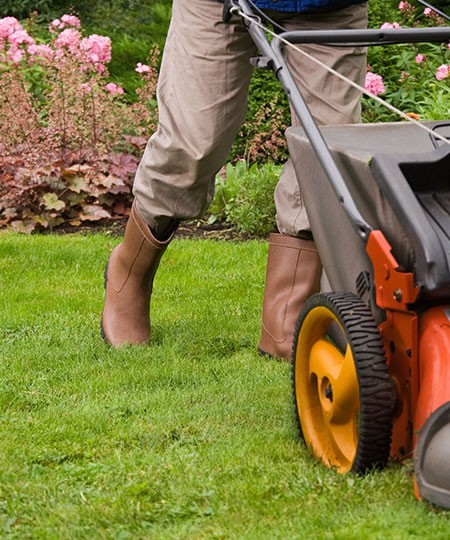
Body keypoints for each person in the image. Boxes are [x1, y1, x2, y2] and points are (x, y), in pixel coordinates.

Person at [101, 0, 368, 356]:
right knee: (193, 144)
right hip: (214, 3)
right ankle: (129, 271)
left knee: (325, 152)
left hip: (328, 7)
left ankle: (286, 317)